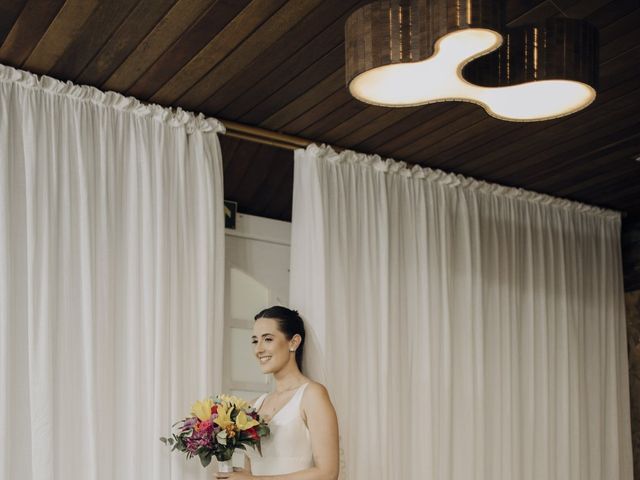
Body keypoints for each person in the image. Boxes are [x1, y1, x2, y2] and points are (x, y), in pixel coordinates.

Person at [215, 306, 339, 480]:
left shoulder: (312, 395)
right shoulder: (254, 406)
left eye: (268, 339)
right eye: (254, 341)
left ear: (294, 342)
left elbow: (328, 473)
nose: (258, 349)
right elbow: (252, 472)